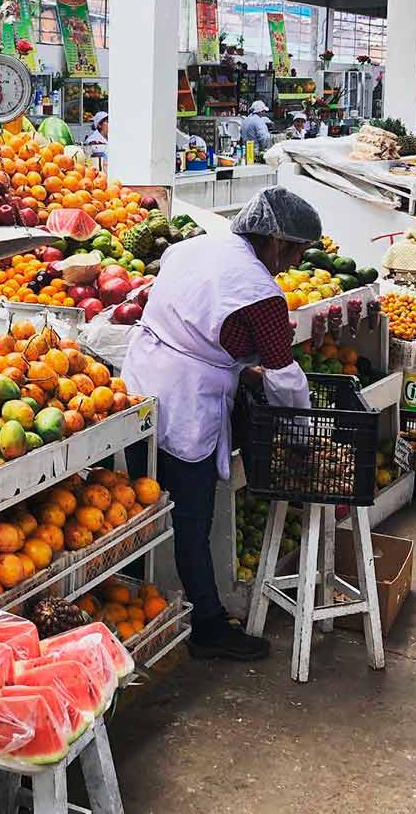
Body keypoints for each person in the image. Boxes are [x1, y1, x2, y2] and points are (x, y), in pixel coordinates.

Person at [121, 187, 320, 661]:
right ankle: (207, 623)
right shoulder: (261, 291)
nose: (293, 263)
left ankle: (139, 599)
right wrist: (302, 435)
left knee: (137, 496)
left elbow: (197, 318)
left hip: (140, 379)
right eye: (294, 251)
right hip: (187, 396)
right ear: (273, 240)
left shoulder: (190, 246)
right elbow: (285, 376)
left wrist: (235, 363)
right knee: (191, 513)